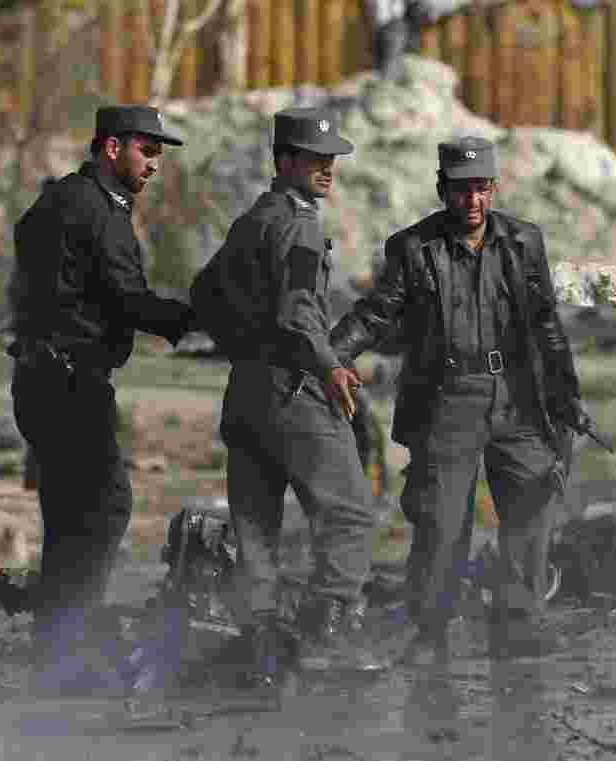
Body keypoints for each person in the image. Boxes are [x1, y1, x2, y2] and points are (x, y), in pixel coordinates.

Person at [329, 136, 587, 664]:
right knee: (442, 522)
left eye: (481, 189)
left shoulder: (522, 241)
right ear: (442, 190)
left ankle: (518, 622)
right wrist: (330, 356)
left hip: (516, 397)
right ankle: (430, 633)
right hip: (447, 399)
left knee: (533, 503)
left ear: (493, 189)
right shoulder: (414, 247)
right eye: (461, 191)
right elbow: (378, 314)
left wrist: (566, 395)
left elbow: (546, 325)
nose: (472, 202)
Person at [194, 107, 386, 679]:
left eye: (330, 160)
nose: (326, 169)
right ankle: (327, 638)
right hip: (293, 390)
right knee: (349, 513)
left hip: (246, 392)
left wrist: (242, 348)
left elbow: (204, 292)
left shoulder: (255, 217)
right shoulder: (300, 222)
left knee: (256, 528)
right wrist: (328, 365)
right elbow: (299, 311)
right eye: (313, 160)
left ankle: (260, 647)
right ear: (284, 162)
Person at [9, 105, 196, 688]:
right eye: (146, 150)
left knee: (69, 518)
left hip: (41, 378)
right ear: (111, 148)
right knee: (103, 510)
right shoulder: (100, 211)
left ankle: (55, 647)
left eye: (159, 153)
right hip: (71, 384)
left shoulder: (58, 199)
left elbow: (29, 249)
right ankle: (68, 650)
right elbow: (129, 298)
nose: (154, 163)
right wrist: (202, 318)